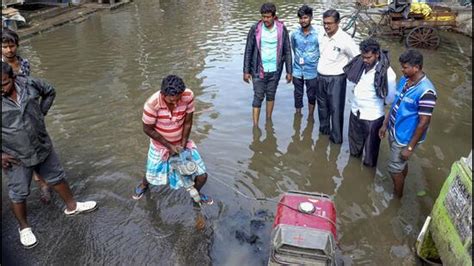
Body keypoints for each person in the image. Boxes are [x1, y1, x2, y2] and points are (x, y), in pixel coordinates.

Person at [2, 62, 98, 249]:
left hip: (41, 145)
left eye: (4, 84)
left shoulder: (29, 84)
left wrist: (40, 113)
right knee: (18, 192)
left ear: (13, 78)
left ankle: (72, 207)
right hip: (15, 155)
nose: (1, 89)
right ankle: (24, 228)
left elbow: (49, 91)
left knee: (57, 177)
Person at [132, 75, 212, 205]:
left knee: (202, 175)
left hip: (181, 142)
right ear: (163, 94)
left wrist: (183, 144)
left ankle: (196, 194)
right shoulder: (152, 105)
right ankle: (143, 185)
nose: (175, 103)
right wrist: (169, 146)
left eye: (178, 99)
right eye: (171, 101)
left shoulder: (188, 96)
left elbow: (187, 122)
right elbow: (147, 129)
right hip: (160, 145)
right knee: (152, 173)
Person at [2, 28, 52, 204]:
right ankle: (22, 188)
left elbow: (34, 87)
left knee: (36, 147)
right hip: (8, 116)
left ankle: (42, 182)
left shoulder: (24, 63)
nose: (9, 50)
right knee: (17, 152)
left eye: (12, 46)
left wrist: (40, 111)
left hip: (28, 112)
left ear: (17, 45)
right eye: (5, 46)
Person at [379, 49, 437, 198]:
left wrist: (410, 147)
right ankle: (400, 181)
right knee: (400, 164)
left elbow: (424, 123)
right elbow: (395, 105)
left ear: (416, 67)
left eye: (405, 67)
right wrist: (385, 124)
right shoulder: (405, 80)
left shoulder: (426, 91)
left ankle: (397, 197)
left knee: (394, 169)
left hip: (405, 137)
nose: (402, 69)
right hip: (395, 129)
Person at [343, 38, 396, 167]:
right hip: (356, 112)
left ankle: (368, 180)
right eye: (363, 57)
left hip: (372, 118)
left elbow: (389, 98)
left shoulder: (388, 73)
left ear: (377, 54)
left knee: (370, 157)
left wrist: (375, 104)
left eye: (368, 58)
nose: (365, 60)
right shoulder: (360, 65)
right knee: (354, 151)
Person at [243, 2, 292, 127]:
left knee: (271, 95)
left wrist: (289, 71)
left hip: (275, 70)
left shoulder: (281, 29)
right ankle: (255, 126)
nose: (265, 19)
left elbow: (287, 50)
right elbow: (248, 49)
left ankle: (268, 121)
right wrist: (246, 71)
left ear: (274, 16)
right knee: (258, 96)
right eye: (263, 17)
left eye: (268, 17)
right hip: (258, 69)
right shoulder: (255, 29)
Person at [316, 9, 359, 144]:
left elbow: (357, 58)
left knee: (335, 110)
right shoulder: (321, 35)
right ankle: (322, 138)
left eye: (330, 23)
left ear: (338, 23)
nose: (327, 26)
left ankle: (336, 140)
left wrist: (350, 75)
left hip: (336, 80)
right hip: (320, 77)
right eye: (324, 23)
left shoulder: (345, 39)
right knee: (322, 109)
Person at [291, 5, 319, 118]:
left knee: (311, 95)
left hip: (312, 71)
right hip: (297, 70)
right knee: (298, 94)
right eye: (301, 18)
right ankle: (298, 115)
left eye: (305, 18)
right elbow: (293, 48)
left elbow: (321, 52)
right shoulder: (295, 34)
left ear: (311, 18)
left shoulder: (317, 35)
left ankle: (310, 116)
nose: (303, 21)